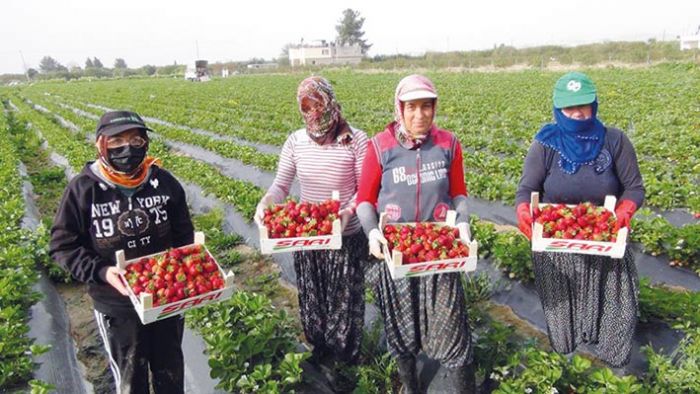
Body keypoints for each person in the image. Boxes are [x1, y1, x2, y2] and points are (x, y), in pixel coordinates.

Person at [50, 111, 194, 393]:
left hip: (166, 299)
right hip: (117, 305)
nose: (128, 148)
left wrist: (184, 273)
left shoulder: (163, 182)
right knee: (131, 378)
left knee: (170, 370)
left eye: (136, 139)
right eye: (117, 141)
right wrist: (101, 271)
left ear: (146, 143)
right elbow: (62, 245)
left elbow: (183, 235)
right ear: (100, 145)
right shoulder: (83, 189)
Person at [515, 71, 645, 367]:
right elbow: (526, 189)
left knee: (617, 309)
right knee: (564, 312)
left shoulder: (615, 140)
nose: (577, 113)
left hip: (605, 240)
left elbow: (634, 187)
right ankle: (567, 365)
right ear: (557, 108)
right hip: (558, 246)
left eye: (583, 106)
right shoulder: (545, 144)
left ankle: (611, 368)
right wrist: (524, 210)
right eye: (569, 107)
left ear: (594, 105)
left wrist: (624, 210)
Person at [356, 74, 475, 393]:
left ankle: (465, 387)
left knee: (452, 326)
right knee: (401, 328)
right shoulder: (380, 147)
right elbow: (364, 201)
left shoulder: (448, 144)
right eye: (411, 107)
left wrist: (462, 219)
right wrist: (371, 233)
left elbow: (459, 193)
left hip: (440, 250)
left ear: (434, 108)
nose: (419, 114)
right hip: (396, 251)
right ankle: (410, 385)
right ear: (400, 108)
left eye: (426, 106)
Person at [254, 76, 369, 375]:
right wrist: (266, 201)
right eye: (307, 105)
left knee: (344, 303)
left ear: (330, 100)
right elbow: (281, 184)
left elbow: (366, 189)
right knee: (312, 298)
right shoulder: (295, 141)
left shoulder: (356, 139)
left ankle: (346, 361)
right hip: (308, 237)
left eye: (319, 102)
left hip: (346, 236)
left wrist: (347, 213)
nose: (314, 111)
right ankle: (320, 349)